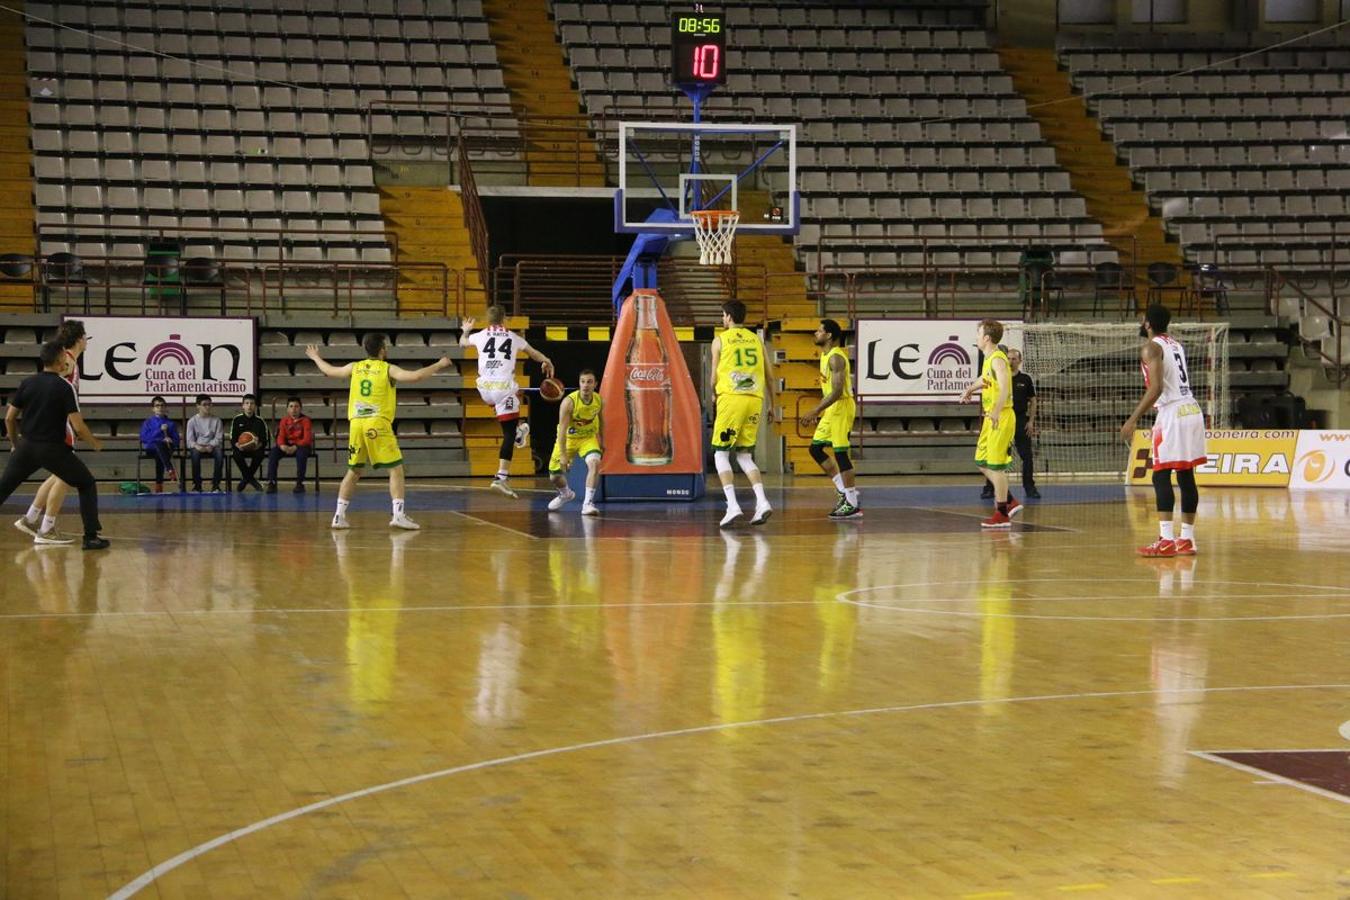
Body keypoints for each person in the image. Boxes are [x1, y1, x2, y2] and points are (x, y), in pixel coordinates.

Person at [306, 333, 453, 530]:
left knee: (354, 470)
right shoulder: (387, 369)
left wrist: (315, 357)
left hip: (356, 424)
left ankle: (338, 516)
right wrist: (439, 365)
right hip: (377, 422)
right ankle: (398, 514)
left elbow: (331, 371)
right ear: (383, 349)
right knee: (396, 469)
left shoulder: (354, 367)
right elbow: (415, 376)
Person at [0, 340, 109, 549]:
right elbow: (78, 426)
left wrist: (15, 443)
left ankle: (35, 520)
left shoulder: (27, 383)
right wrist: (95, 443)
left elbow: (9, 419)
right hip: (52, 449)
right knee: (86, 483)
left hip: (26, 446)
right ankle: (91, 537)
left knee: (4, 488)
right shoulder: (64, 386)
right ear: (60, 360)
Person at [1120, 303, 1207, 557]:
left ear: (1148, 323)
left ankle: (1166, 539)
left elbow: (1156, 388)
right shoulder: (1175, 344)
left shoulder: (1151, 347)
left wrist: (1132, 419)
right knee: (1186, 475)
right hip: (1191, 408)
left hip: (1172, 412)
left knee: (1160, 475)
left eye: (1142, 319)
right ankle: (1187, 539)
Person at [459, 305, 554, 498]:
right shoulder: (513, 337)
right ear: (505, 319)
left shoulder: (480, 335)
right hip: (503, 388)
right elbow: (534, 354)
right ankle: (501, 478)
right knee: (508, 432)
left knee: (511, 416)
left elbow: (462, 343)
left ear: (488, 320)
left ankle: (520, 432)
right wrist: (547, 360)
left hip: (484, 389)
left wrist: (466, 330)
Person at [13, 319, 87, 539]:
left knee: (58, 474)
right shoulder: (68, 361)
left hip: (59, 422)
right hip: (60, 423)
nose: (86, 340)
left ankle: (31, 518)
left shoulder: (67, 358)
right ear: (79, 339)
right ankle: (46, 528)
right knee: (66, 476)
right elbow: (50, 390)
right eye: (84, 336)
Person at [710, 299, 777, 527]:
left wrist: (713, 394)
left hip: (732, 399)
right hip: (755, 400)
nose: (722, 319)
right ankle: (762, 502)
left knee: (720, 454)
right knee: (744, 455)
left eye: (722, 315)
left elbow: (713, 377)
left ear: (728, 316)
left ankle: (733, 506)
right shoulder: (757, 341)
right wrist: (772, 405)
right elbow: (770, 375)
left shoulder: (720, 340)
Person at [960, 319, 1023, 529]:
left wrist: (996, 411)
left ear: (986, 338)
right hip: (991, 417)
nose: (976, 338)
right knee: (981, 461)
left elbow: (1005, 386)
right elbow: (986, 379)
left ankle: (1002, 513)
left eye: (978, 334)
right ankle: (1010, 500)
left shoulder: (998, 359)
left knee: (996, 467)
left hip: (1001, 416)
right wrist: (970, 388)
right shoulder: (988, 359)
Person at [799, 318, 860, 519]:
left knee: (841, 454)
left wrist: (814, 411)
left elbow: (835, 392)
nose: (816, 333)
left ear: (829, 335)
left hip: (841, 406)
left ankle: (852, 503)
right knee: (815, 449)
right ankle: (843, 491)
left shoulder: (836, 358)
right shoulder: (824, 356)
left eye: (819, 331)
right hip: (832, 409)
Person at [982, 347, 1040, 501]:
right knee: (995, 454)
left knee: (1026, 456)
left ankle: (1030, 487)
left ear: (1020, 361)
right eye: (1008, 358)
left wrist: (1031, 421)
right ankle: (989, 487)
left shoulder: (1025, 379)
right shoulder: (1000, 375)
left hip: (1020, 419)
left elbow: (1033, 401)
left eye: (1014, 358)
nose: (1011, 361)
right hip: (1002, 418)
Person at [547, 369, 602, 516]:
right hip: (568, 439)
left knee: (595, 464)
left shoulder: (598, 400)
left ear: (595, 384)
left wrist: (601, 440)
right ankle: (566, 493)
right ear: (579, 383)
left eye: (589, 382)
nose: (585, 385)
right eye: (583, 382)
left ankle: (588, 504)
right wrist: (564, 455)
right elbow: (562, 431)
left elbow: (601, 421)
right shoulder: (569, 402)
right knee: (554, 476)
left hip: (587, 438)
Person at [266, 396, 314, 493]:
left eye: (296, 406)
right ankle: (272, 483)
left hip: (301, 446)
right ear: (287, 409)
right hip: (287, 445)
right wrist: (282, 445)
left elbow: (307, 439)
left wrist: (295, 447)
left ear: (300, 408)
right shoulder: (284, 420)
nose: (294, 409)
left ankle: (300, 483)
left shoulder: (306, 420)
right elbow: (280, 436)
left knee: (301, 455)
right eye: (291, 406)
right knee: (273, 453)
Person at [138, 395, 180, 492]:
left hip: (167, 448)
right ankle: (169, 469)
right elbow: (144, 438)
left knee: (161, 450)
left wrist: (171, 440)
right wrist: (158, 430)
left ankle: (159, 484)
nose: (160, 408)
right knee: (158, 447)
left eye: (162, 405)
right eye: (157, 406)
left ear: (165, 408)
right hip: (151, 449)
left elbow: (176, 440)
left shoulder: (171, 423)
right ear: (153, 408)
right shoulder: (147, 422)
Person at [230, 394, 270, 492]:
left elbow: (265, 439)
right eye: (247, 403)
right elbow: (232, 437)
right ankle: (251, 480)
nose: (249, 406)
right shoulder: (237, 419)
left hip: (255, 449)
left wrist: (258, 446)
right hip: (241, 448)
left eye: (252, 403)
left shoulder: (260, 421)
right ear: (243, 406)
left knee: (260, 454)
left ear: (255, 406)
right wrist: (238, 445)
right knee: (236, 454)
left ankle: (245, 479)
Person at [186, 395, 224, 493]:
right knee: (194, 454)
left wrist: (210, 445)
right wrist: (197, 446)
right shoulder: (192, 421)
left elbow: (219, 438)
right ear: (198, 406)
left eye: (209, 404)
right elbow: (189, 441)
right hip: (198, 446)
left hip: (212, 446)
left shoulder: (217, 420)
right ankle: (197, 485)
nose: (207, 407)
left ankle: (216, 485)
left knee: (219, 454)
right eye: (204, 405)